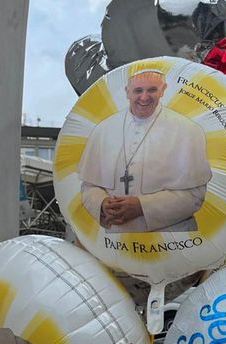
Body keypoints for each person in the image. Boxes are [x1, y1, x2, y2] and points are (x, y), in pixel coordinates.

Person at [79, 68, 212, 233]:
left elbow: (196, 195)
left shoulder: (188, 130)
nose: (144, 97)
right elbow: (88, 186)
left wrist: (142, 206)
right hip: (117, 241)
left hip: (172, 240)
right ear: (127, 92)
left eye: (152, 90)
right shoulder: (104, 130)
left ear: (163, 90)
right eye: (138, 90)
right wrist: (102, 203)